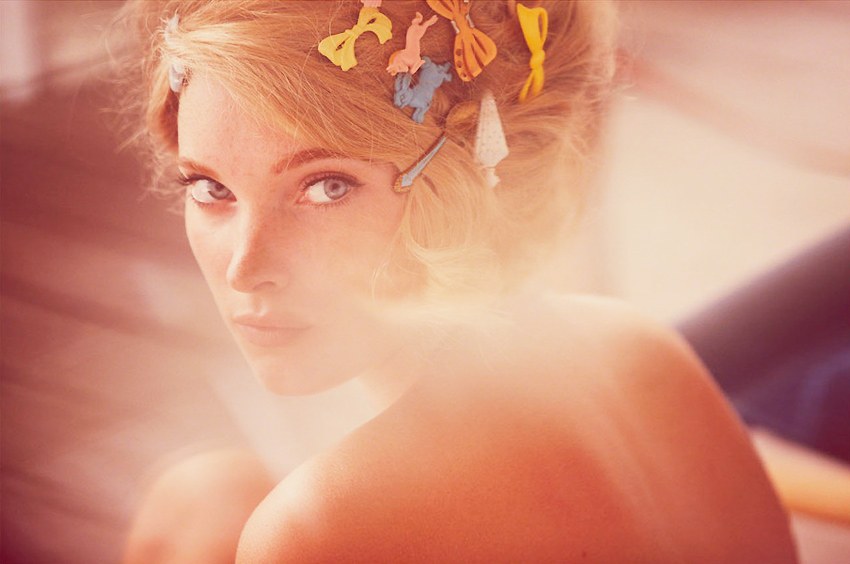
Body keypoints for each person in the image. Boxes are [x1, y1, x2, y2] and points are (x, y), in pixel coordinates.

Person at [119, 1, 797, 561]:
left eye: (327, 187)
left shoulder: (326, 529)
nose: (245, 269)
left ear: (467, 178)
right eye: (210, 187)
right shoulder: (638, 346)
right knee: (208, 495)